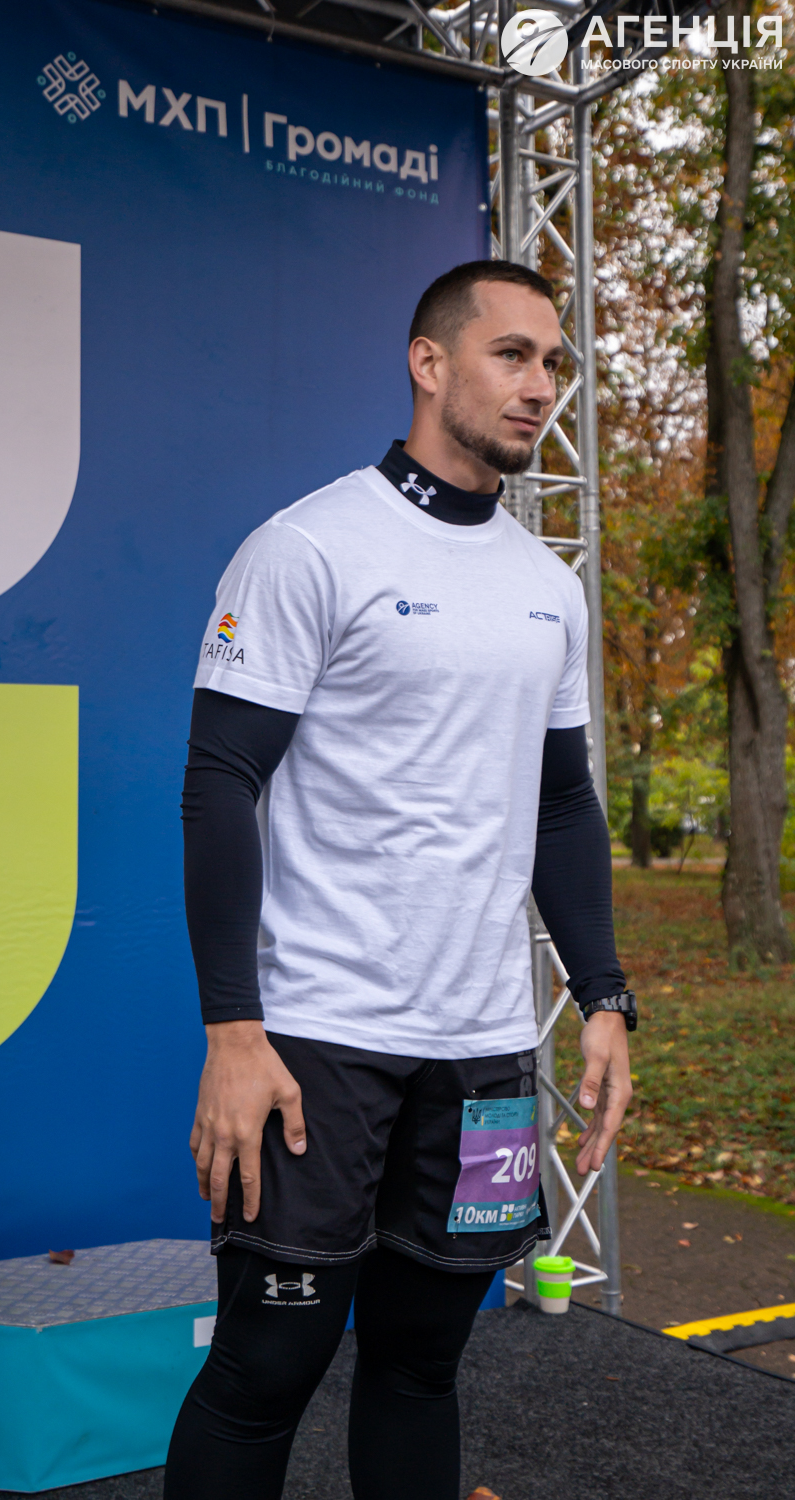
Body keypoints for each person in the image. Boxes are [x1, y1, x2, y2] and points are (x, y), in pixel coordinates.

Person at [165, 259, 635, 1500]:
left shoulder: (548, 587)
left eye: (553, 363)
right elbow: (220, 783)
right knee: (267, 1368)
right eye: (511, 354)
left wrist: (602, 996)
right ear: (429, 364)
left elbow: (561, 804)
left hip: (481, 1053)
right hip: (317, 1042)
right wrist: (233, 1033)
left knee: (424, 1365)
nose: (540, 386)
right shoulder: (308, 547)